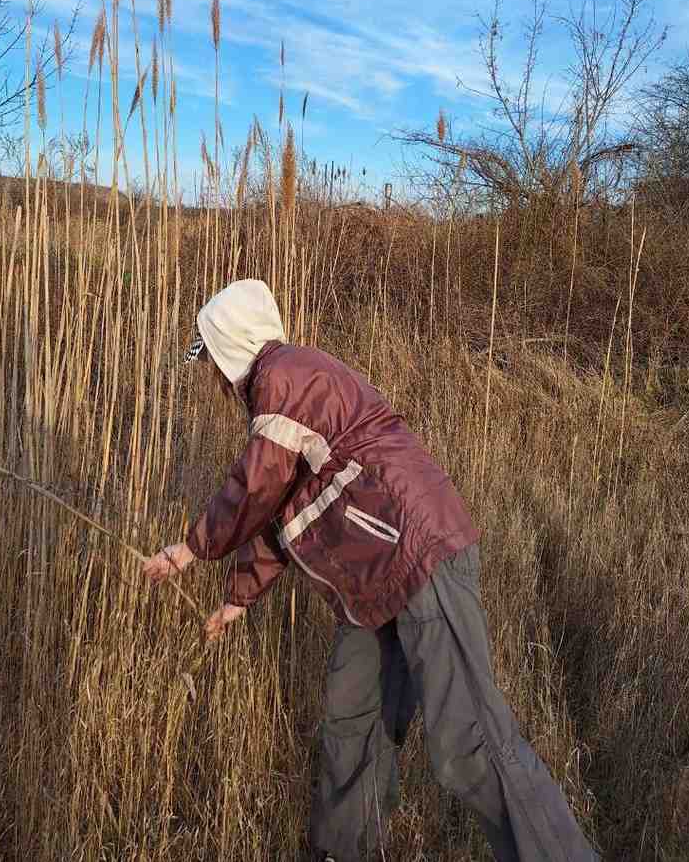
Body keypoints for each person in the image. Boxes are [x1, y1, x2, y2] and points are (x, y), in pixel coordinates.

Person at [145, 280, 600, 862]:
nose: (209, 374)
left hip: (417, 556)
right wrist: (237, 598)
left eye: (208, 355)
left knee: (471, 742)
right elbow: (287, 509)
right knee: (350, 721)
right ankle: (341, 851)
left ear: (229, 346)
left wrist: (189, 549)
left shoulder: (287, 375)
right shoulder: (280, 398)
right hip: (370, 582)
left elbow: (257, 485)